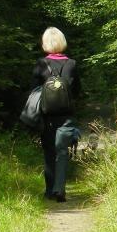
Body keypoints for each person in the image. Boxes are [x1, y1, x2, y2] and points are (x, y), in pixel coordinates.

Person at [32, 27, 81, 203]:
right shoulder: (72, 64)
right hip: (66, 115)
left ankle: (49, 190)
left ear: (45, 43)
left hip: (46, 115)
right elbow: (77, 90)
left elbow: (35, 90)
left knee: (49, 151)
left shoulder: (40, 64)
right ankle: (59, 189)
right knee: (62, 151)